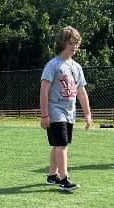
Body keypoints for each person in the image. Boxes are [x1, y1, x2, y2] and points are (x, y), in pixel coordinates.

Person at [40, 26, 92, 191]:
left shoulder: (76, 67)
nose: (74, 46)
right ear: (62, 43)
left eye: (77, 43)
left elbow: (81, 92)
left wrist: (88, 114)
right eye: (71, 43)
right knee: (62, 145)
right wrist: (44, 115)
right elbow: (44, 91)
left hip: (70, 112)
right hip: (55, 111)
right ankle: (64, 179)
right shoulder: (53, 65)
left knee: (58, 144)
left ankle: (51, 176)